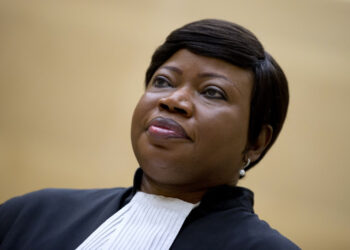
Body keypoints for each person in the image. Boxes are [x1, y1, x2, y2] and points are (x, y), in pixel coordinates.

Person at [0, 19, 300, 249]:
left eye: (212, 92)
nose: (172, 100)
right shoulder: (30, 215)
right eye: (163, 82)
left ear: (256, 142)